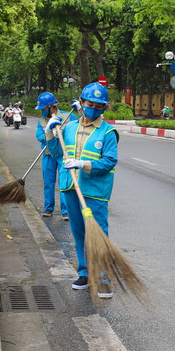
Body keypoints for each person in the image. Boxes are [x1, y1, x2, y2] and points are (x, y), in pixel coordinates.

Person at [45, 82, 119, 299]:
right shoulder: (69, 128)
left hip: (95, 191)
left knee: (98, 234)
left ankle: (103, 278)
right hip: (70, 187)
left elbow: (110, 161)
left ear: (103, 108)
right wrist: (50, 133)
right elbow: (58, 153)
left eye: (98, 105)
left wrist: (83, 164)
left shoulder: (108, 132)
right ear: (82, 102)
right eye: (89, 103)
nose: (93, 107)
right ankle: (85, 273)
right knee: (78, 232)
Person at [35, 92, 79, 220]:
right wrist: (49, 133)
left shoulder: (68, 116)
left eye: (43, 109)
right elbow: (39, 136)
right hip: (48, 155)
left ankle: (66, 210)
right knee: (48, 182)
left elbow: (79, 125)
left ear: (51, 106)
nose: (42, 112)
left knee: (64, 182)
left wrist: (81, 110)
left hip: (63, 155)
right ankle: (48, 207)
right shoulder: (42, 121)